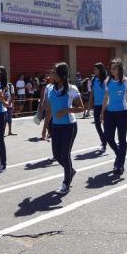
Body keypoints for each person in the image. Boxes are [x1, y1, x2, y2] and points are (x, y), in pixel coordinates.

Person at [44, 62, 84, 194]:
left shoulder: (72, 89)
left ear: (62, 74)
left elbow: (81, 108)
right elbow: (49, 109)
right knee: (56, 155)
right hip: (55, 126)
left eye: (55, 72)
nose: (52, 74)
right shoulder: (49, 88)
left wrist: (66, 110)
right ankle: (70, 171)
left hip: (69, 126)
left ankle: (66, 183)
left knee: (65, 154)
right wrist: (45, 127)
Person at [100, 58, 127, 175]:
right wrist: (102, 112)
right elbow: (105, 98)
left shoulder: (126, 81)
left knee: (122, 139)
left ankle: (120, 165)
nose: (112, 70)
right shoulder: (107, 81)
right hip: (110, 113)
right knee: (108, 137)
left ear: (120, 69)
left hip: (122, 113)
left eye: (115, 67)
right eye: (111, 67)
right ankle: (119, 154)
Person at [88, 63, 108, 153]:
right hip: (96, 106)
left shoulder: (106, 79)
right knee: (97, 124)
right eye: (94, 69)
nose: (94, 71)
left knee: (105, 125)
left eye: (96, 69)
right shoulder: (93, 80)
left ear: (100, 69)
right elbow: (92, 93)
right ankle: (104, 141)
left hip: (106, 106)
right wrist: (89, 104)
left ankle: (105, 142)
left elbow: (108, 93)